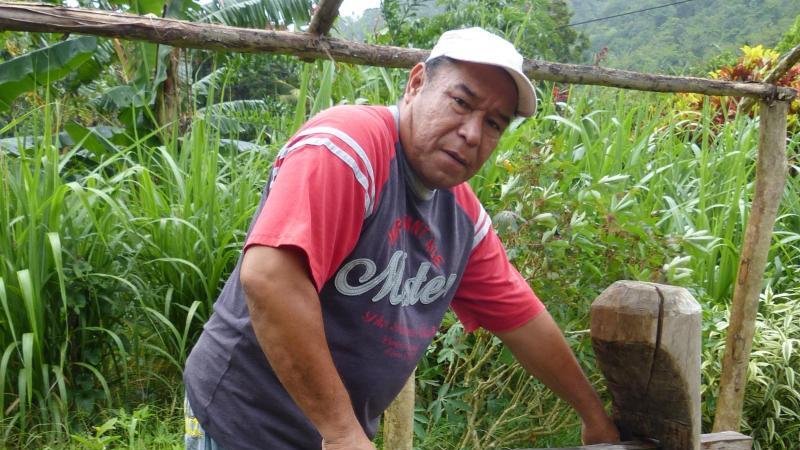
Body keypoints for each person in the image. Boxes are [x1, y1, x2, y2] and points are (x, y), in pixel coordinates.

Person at [183, 27, 620, 450]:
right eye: (461, 102)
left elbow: (523, 319)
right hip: (241, 422)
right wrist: (342, 434)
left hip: (327, 435)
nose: (472, 133)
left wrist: (594, 419)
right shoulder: (346, 148)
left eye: (493, 124)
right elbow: (269, 279)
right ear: (416, 84)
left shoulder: (461, 217)